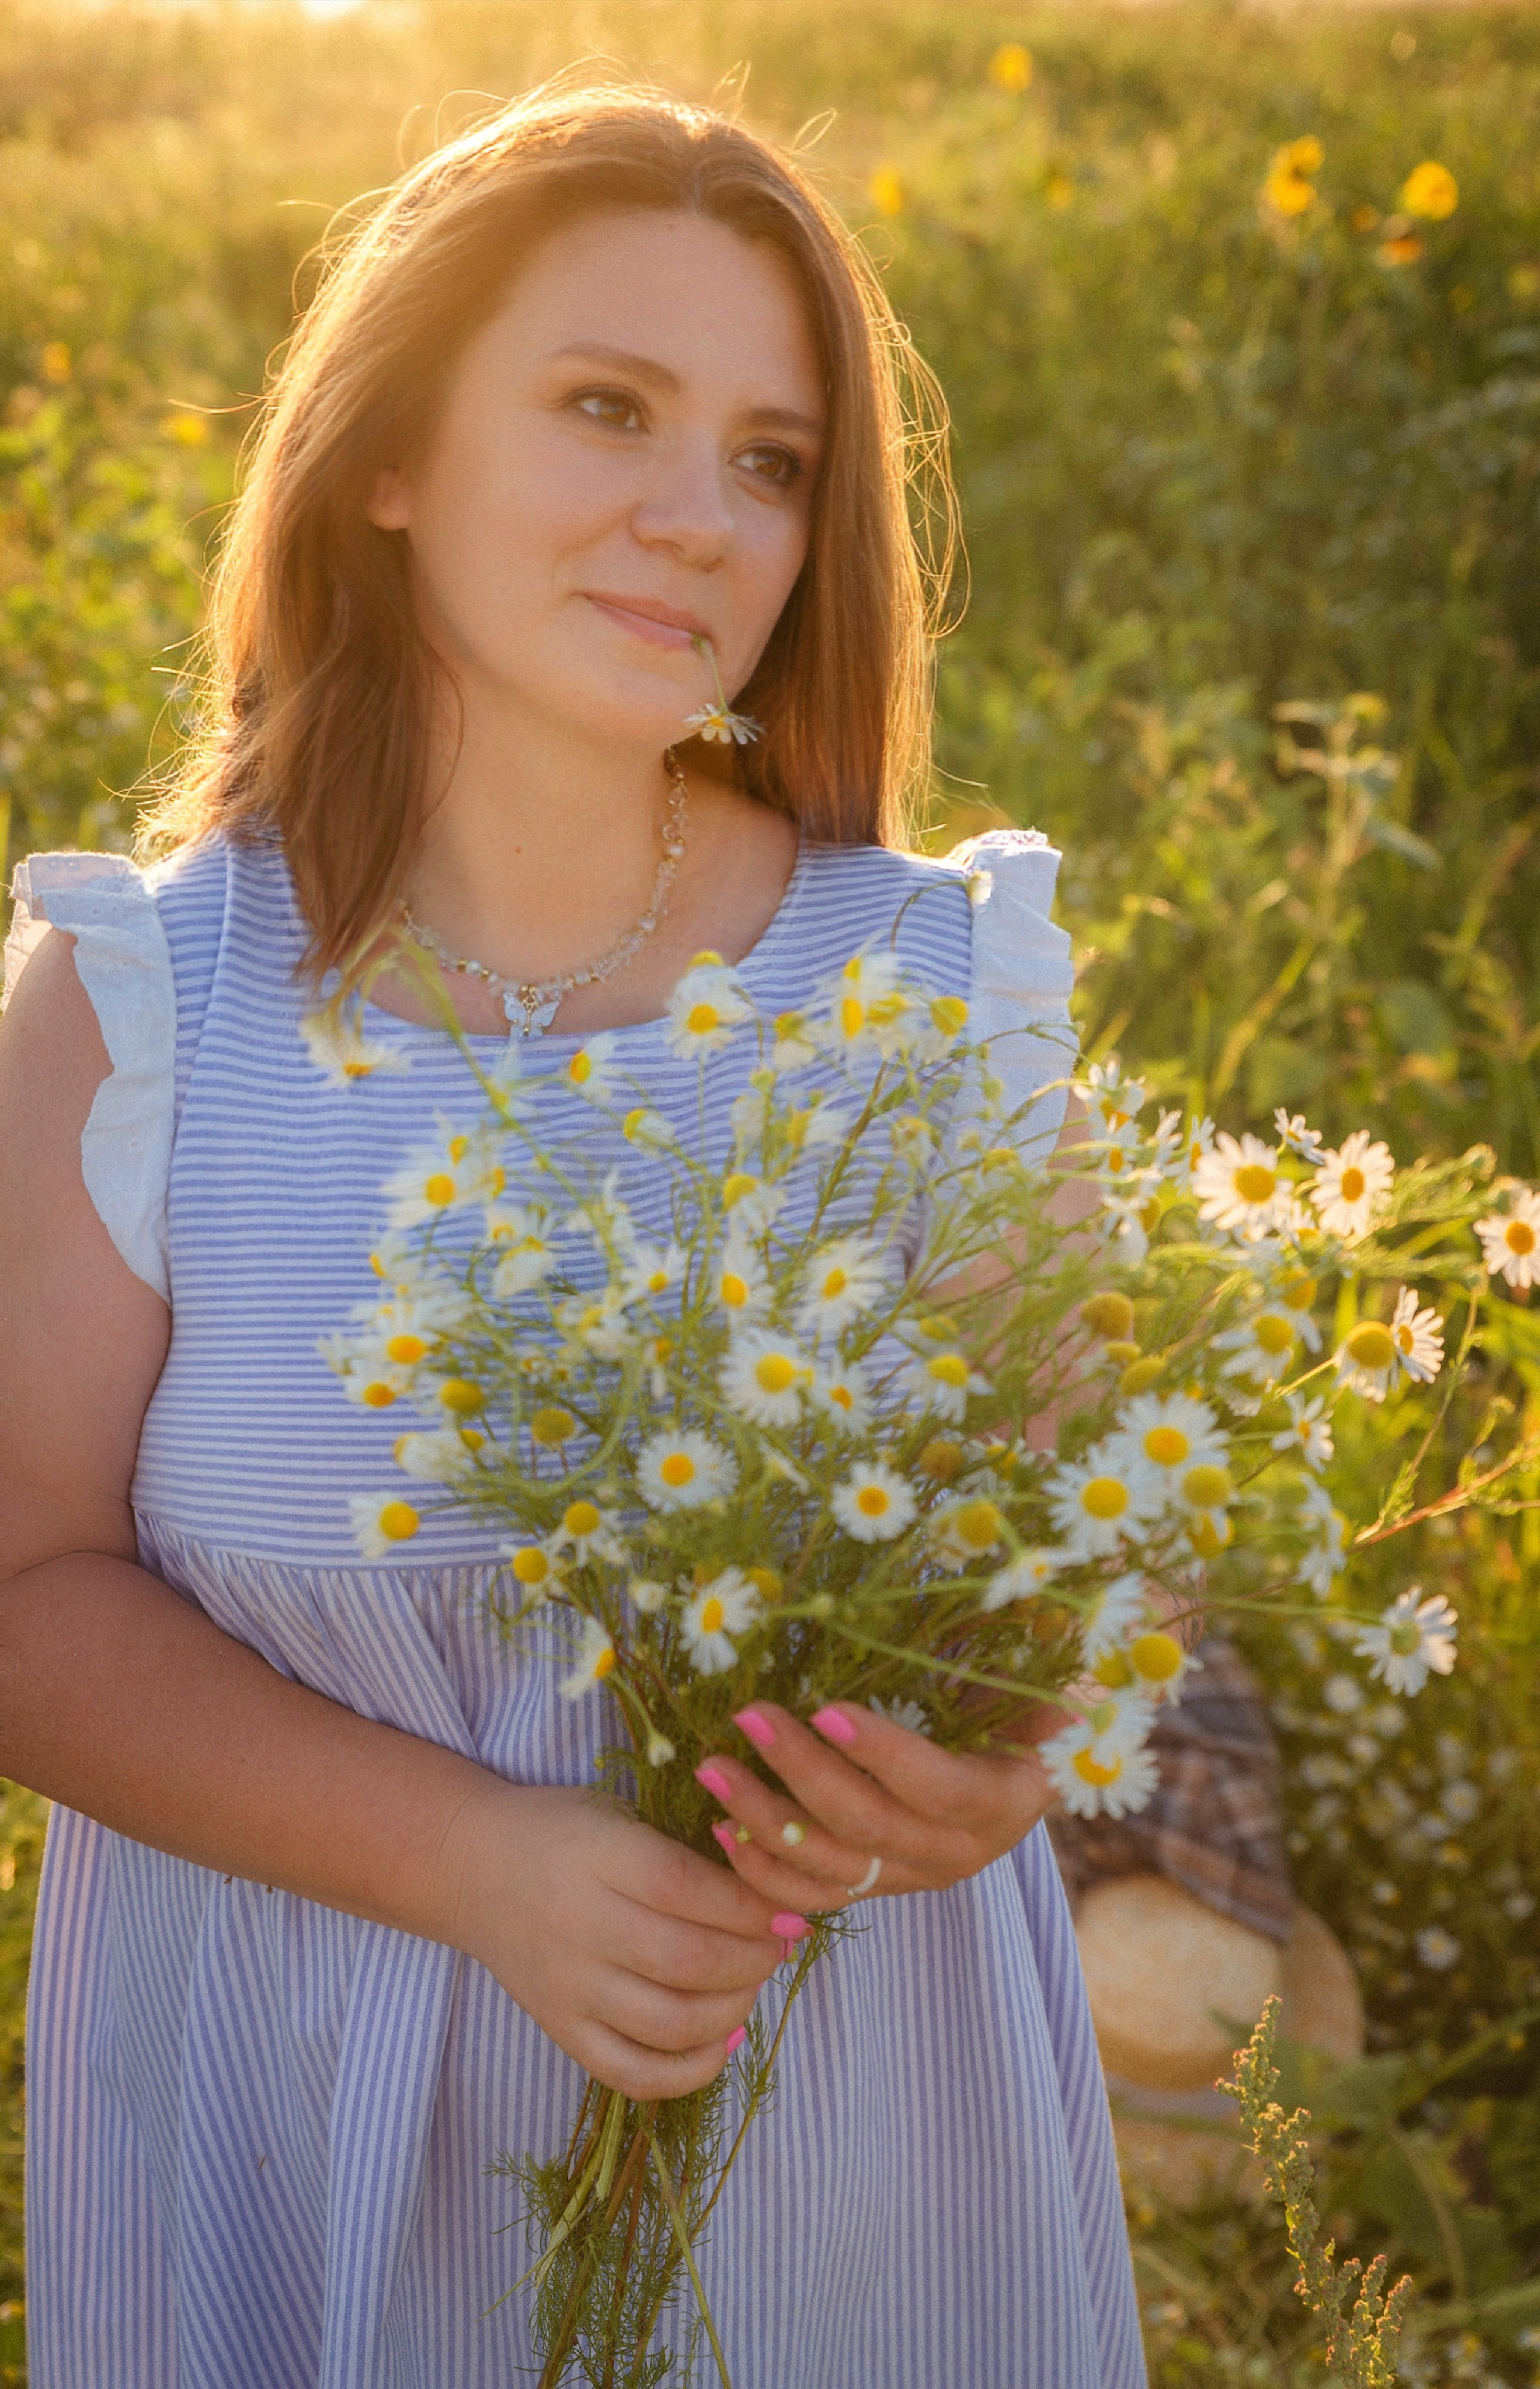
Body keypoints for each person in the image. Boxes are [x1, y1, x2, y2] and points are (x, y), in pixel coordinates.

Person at [0, 83, 1146, 2389]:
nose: (694, 515)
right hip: (290, 2130)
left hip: (842, 2148)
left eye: (770, 457)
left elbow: (1073, 1575)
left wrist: (989, 1769)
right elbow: (18, 1591)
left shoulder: (928, 987)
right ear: (389, 457)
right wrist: (477, 1865)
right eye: (608, 408)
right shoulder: (149, 997)